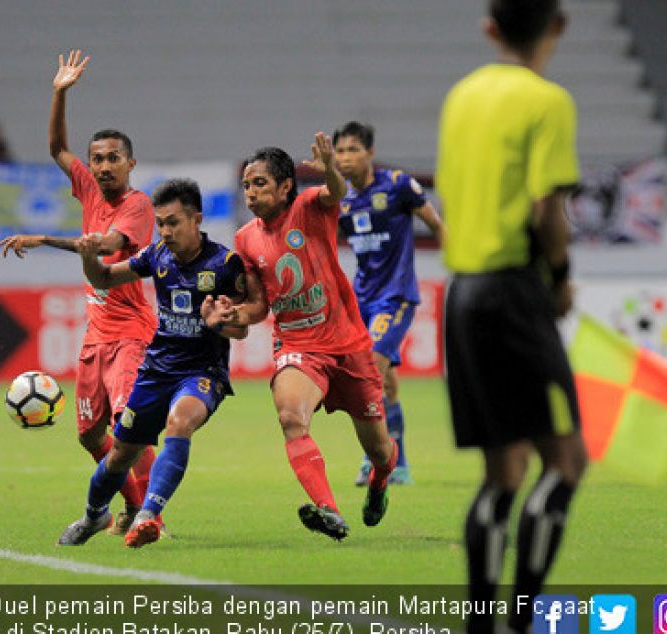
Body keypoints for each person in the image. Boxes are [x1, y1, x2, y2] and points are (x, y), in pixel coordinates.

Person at [436, 1, 587, 632]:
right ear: (558, 26)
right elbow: (546, 209)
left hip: (462, 293)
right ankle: (520, 620)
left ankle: (483, 624)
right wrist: (558, 278)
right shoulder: (547, 101)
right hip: (514, 293)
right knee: (565, 461)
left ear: (490, 28)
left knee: (502, 472)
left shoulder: (461, 98)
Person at [0, 50, 159, 536]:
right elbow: (55, 148)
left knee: (129, 427)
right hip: (97, 334)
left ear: (131, 163)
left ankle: (149, 513)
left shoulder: (138, 206)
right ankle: (121, 509)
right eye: (97, 159)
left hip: (131, 333)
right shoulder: (88, 189)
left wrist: (43, 238)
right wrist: (59, 92)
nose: (104, 167)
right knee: (90, 434)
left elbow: (108, 247)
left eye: (114, 159)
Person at [210, 138, 398, 541]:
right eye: (246, 185)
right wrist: (231, 314)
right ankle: (329, 510)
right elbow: (259, 307)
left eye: (260, 183)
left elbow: (338, 191)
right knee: (291, 417)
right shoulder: (245, 238)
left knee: (381, 451)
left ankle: (380, 481)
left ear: (284, 188)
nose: (251, 192)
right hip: (298, 347)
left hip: (349, 346)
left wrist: (330, 165)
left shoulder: (310, 206)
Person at [57, 178, 247, 549]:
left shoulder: (224, 264)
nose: (165, 231)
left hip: (202, 373)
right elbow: (104, 278)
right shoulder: (156, 255)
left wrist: (222, 322)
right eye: (160, 223)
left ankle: (147, 515)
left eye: (173, 222)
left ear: (196, 219)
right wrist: (87, 257)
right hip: (157, 370)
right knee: (119, 456)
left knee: (180, 423)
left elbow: (242, 328)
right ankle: (94, 515)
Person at [329, 121, 444, 486]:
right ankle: (402, 464)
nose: (345, 158)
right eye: (340, 151)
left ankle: (373, 458)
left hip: (395, 297)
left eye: (352, 150)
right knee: (388, 384)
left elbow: (437, 225)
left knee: (371, 372)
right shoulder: (343, 201)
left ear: (370, 153)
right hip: (361, 301)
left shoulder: (397, 185)